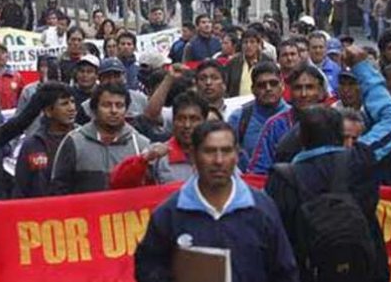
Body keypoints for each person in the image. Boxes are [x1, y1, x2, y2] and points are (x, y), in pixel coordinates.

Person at [265, 46, 391, 282]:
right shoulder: (360, 159)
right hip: (365, 270)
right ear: (341, 136)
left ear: (302, 140)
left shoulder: (282, 177)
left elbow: (275, 236)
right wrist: (362, 67)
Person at [134, 120, 298, 282]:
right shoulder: (169, 214)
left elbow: (284, 271)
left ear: (236, 155)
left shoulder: (261, 209)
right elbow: (148, 269)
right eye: (210, 151)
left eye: (226, 151)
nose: (219, 160)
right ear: (193, 155)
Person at [51, 84, 150, 194]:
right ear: (94, 109)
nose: (114, 111)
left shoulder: (141, 145)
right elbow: (59, 188)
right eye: (107, 105)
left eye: (119, 105)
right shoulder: (74, 141)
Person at [110, 91, 210, 188]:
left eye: (193, 119)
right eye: (181, 119)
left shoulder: (216, 153)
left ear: (205, 121)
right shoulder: (156, 155)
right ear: (173, 121)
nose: (187, 125)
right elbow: (118, 183)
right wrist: (143, 160)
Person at [248, 64, 328, 174]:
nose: (303, 94)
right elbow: (258, 172)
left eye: (309, 87)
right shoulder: (275, 126)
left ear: (321, 92)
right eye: (298, 88)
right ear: (290, 92)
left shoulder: (335, 122)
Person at [14, 83, 78, 198]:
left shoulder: (83, 139)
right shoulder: (32, 145)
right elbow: (21, 189)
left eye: (73, 102)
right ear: (48, 111)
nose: (72, 108)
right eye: (64, 104)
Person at [229, 62, 290, 171]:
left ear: (282, 85)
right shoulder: (238, 118)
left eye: (273, 83)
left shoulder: (294, 117)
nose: (268, 88)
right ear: (253, 89)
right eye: (262, 85)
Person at [80, 58, 148, 120]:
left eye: (116, 76)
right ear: (99, 79)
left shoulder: (141, 99)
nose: (112, 81)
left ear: (124, 77)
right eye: (107, 76)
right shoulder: (87, 107)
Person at [223, 28, 270, 97]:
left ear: (258, 44)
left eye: (252, 42)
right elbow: (226, 86)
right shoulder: (233, 63)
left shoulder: (266, 62)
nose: (248, 45)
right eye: (245, 42)